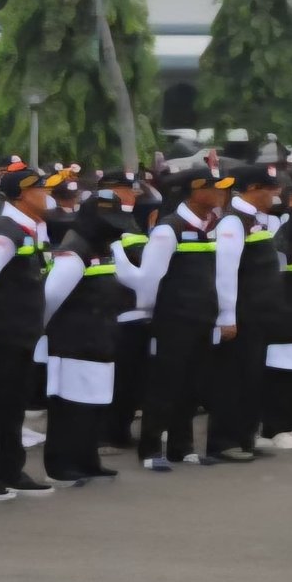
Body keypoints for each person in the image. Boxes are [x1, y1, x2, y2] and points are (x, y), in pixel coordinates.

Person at [0, 164, 62, 500]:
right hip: (0, 333)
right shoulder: (5, 232)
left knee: (14, 405)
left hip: (21, 332)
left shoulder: (30, 229)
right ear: (21, 195)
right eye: (40, 189)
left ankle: (11, 468)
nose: (47, 194)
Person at [127, 168, 233, 471]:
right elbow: (149, 278)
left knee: (192, 385)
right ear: (193, 191)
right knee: (165, 384)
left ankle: (181, 445)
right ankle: (150, 449)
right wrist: (150, 314)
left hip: (202, 317)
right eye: (213, 188)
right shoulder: (168, 229)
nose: (220, 194)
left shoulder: (211, 227)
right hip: (173, 320)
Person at [40, 176, 141, 484]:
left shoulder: (103, 247)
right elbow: (50, 297)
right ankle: (63, 464)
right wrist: (44, 333)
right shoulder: (74, 251)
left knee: (94, 403)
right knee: (72, 406)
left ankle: (87, 460)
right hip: (74, 341)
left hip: (99, 337)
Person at [205, 164, 285, 461]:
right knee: (232, 378)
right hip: (241, 315)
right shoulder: (232, 223)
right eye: (270, 190)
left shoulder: (256, 219)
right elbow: (225, 272)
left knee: (252, 377)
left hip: (259, 313)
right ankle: (223, 442)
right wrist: (227, 316)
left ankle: (246, 436)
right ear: (253, 190)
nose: (275, 196)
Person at [103, 181, 165, 450]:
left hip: (133, 315)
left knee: (132, 379)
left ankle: (119, 430)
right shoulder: (132, 234)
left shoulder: (129, 230)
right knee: (124, 380)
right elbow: (138, 277)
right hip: (125, 316)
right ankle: (113, 432)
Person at [262, 167, 292, 448]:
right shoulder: (283, 226)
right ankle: (277, 428)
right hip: (285, 315)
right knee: (282, 374)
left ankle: (286, 426)